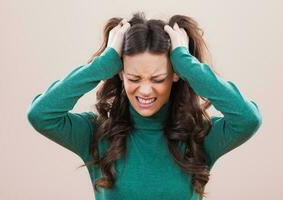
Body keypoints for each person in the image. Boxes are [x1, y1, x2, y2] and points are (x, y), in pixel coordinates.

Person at [26, 12, 262, 200]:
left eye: (158, 79)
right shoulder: (96, 134)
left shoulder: (199, 136)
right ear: (119, 73)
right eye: (134, 78)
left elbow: (248, 119)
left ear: (175, 75)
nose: (145, 90)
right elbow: (41, 114)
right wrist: (103, 62)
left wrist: (186, 63)